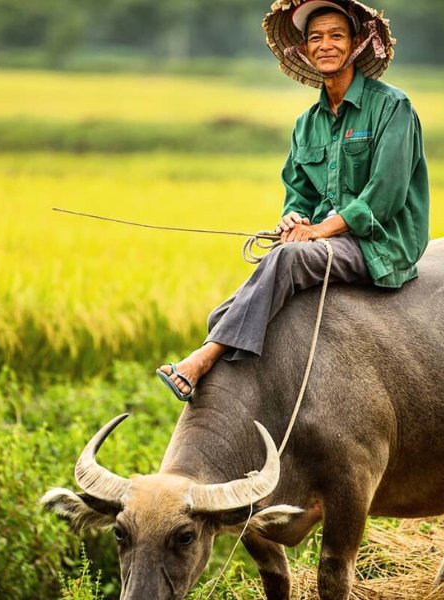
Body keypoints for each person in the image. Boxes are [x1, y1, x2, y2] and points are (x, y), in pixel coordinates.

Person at [157, 0, 429, 401]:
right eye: (315, 38)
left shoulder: (392, 106)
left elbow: (384, 198)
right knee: (224, 311)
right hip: (326, 241)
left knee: (285, 259)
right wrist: (293, 219)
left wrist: (317, 231)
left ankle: (202, 359)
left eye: (336, 35)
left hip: (380, 244)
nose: (326, 45)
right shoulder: (307, 123)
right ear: (303, 50)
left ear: (355, 43)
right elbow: (298, 191)